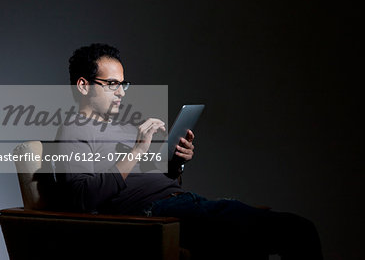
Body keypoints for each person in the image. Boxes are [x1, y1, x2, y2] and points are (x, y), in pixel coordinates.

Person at [41, 43, 323, 259]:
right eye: (112, 84)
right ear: (83, 86)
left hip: (183, 205)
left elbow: (157, 181)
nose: (121, 93)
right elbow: (82, 199)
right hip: (157, 218)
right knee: (296, 231)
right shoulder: (72, 131)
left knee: (286, 231)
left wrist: (175, 163)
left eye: (123, 84)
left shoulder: (124, 129)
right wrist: (139, 150)